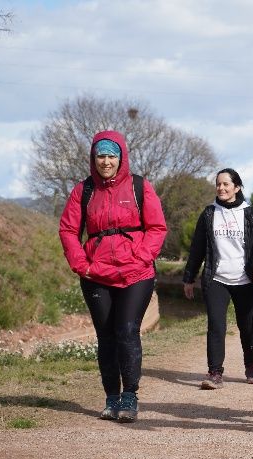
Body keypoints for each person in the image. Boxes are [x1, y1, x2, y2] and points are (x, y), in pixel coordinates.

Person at [58, 130, 167, 422]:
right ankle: (111, 397)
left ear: (122, 158)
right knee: (106, 335)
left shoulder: (140, 187)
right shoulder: (83, 191)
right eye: (101, 156)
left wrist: (140, 258)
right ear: (94, 159)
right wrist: (83, 265)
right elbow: (68, 231)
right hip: (96, 273)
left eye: (111, 156)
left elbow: (157, 228)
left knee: (127, 329)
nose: (106, 161)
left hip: (137, 273)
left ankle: (130, 395)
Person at [182, 168, 253, 389]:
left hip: (245, 279)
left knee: (247, 327)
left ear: (237, 187)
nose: (221, 188)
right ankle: (215, 372)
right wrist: (189, 278)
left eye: (226, 184)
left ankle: (251, 364)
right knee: (216, 325)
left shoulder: (250, 213)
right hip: (216, 278)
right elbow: (197, 247)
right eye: (218, 184)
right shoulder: (209, 213)